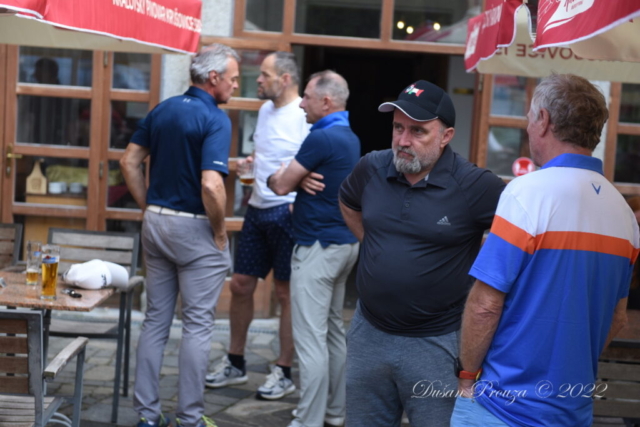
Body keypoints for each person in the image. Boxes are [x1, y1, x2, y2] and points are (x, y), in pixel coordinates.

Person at [451, 74, 640, 427]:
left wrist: (466, 378)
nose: (526, 126)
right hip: (572, 410)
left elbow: (485, 305)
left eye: (529, 117)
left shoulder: (527, 193)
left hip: (501, 407)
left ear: (544, 120)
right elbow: (617, 318)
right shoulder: (624, 215)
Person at [339, 80, 506, 427]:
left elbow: (519, 235)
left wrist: (485, 271)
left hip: (437, 342)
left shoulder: (475, 186)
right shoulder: (371, 168)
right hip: (369, 334)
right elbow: (348, 200)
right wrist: (375, 244)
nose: (403, 140)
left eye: (418, 131)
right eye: (398, 128)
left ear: (446, 136)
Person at [120, 43, 240, 427]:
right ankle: (188, 419)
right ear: (214, 78)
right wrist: (220, 232)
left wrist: (149, 206)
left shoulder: (163, 109)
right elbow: (212, 185)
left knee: (155, 320)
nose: (236, 85)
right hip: (195, 228)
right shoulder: (216, 118)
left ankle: (147, 417)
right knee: (198, 325)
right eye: (234, 79)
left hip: (156, 223)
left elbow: (129, 161)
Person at [205, 52, 310, 400]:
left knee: (284, 293)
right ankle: (235, 362)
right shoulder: (265, 111)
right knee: (240, 284)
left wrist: (297, 199)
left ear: (285, 79)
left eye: (265, 75)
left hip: (287, 212)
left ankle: (283, 370)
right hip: (257, 208)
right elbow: (267, 156)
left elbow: (315, 162)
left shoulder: (305, 114)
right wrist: (250, 163)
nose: (258, 80)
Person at [268, 70, 360, 427]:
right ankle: (335, 413)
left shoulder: (321, 137)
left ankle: (308, 420)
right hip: (343, 246)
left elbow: (279, 185)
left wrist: (282, 175)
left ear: (326, 101)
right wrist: (300, 178)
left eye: (306, 96)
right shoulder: (348, 136)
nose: (301, 103)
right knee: (333, 332)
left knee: (310, 339)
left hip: (318, 248)